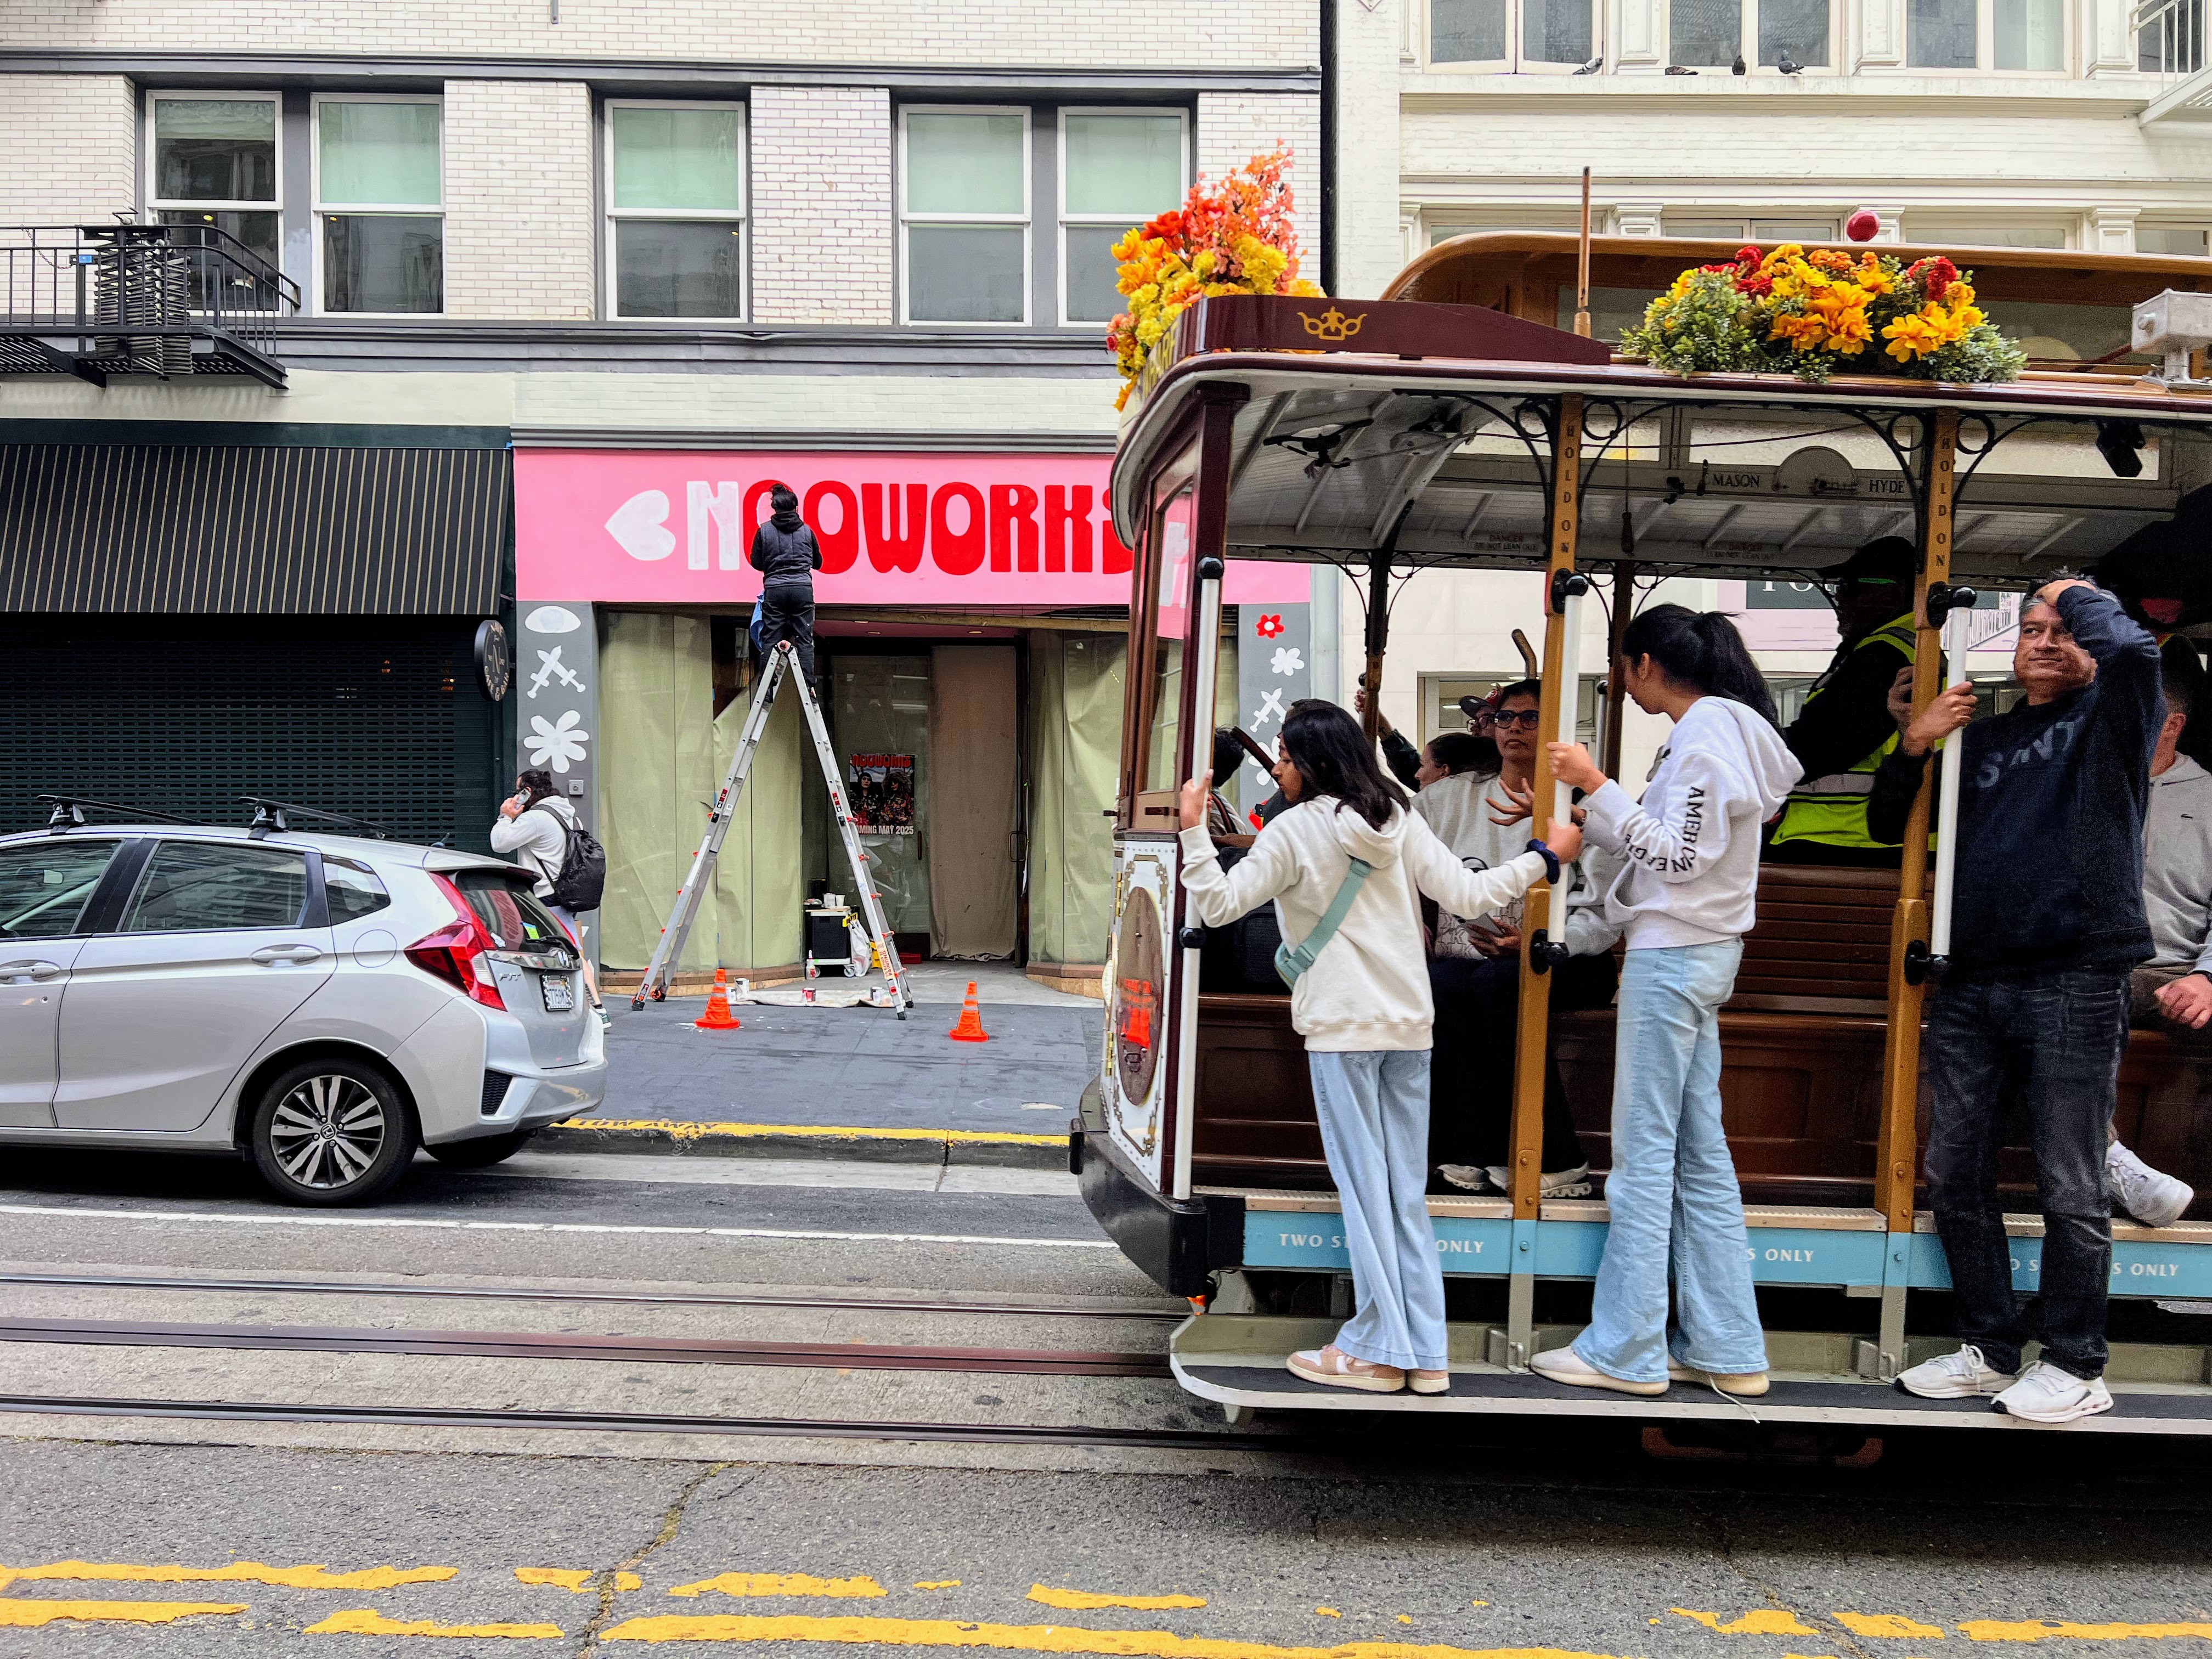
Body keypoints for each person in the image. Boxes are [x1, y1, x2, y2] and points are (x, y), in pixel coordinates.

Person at [1177, 701, 1584, 1397]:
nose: (1277, 769)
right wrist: (1546, 856)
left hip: (1343, 1030)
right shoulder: (1397, 819)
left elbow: (1218, 905)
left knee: (1365, 1194)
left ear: (1309, 763)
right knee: (1402, 1197)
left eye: (1282, 757)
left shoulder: (1294, 831)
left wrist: (1192, 830)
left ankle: (1377, 1348)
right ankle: (1424, 1352)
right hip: (1409, 1029)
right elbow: (1470, 892)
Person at [1871, 578, 2161, 1424]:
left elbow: (2136, 652)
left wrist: (2077, 593)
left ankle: (2077, 1362)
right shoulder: (1979, 735)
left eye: (2061, 632)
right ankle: (1991, 1349)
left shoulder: (2113, 715)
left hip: (2074, 971)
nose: (2043, 641)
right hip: (1971, 975)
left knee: (2070, 1179)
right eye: (2031, 628)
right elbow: (1894, 823)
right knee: (1954, 1173)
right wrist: (1915, 744)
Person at [1527, 605, 1802, 1401]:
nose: (1621, 680)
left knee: (1645, 1158)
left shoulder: (1708, 734)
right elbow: (1683, 846)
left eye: (1622, 666)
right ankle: (1727, 1347)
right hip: (1703, 955)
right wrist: (1594, 814)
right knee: (1699, 1155)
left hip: (1674, 957)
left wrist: (1596, 785)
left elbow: (1679, 857)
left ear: (1644, 663)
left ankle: (1627, 1348)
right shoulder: (1728, 729)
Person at [1414, 678, 1621, 1197]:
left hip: (1571, 956)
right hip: (1470, 957)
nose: (1515, 729)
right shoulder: (1446, 800)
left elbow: (1604, 912)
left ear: (1554, 729)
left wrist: (1543, 941)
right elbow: (1395, 862)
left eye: (1531, 719)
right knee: (1443, 984)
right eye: (1506, 718)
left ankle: (1557, 1158)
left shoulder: (1586, 807)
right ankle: (1465, 1150)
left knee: (1500, 985)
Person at [1765, 537, 1923, 865]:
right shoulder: (1892, 649)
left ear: (1897, 591)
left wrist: (1748, 753)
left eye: (1852, 585)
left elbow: (1822, 745)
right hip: (1866, 840)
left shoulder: (1884, 656)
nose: (1841, 596)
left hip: (1851, 840)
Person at [490, 769, 606, 1023]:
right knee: (558, 950)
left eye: (517, 792)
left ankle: (596, 1009)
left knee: (567, 952)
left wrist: (505, 816)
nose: (514, 797)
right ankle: (571, 1006)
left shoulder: (537, 818)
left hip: (544, 897)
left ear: (526, 792)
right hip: (564, 893)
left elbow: (499, 843)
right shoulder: (569, 816)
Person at [749, 484, 822, 680]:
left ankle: (767, 685)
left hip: (775, 589)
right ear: (796, 507)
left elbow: (756, 562)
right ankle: (809, 683)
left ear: (775, 508)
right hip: (802, 589)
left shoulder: (763, 531)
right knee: (805, 639)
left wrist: (773, 566)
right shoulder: (807, 532)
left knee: (770, 637)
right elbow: (818, 563)